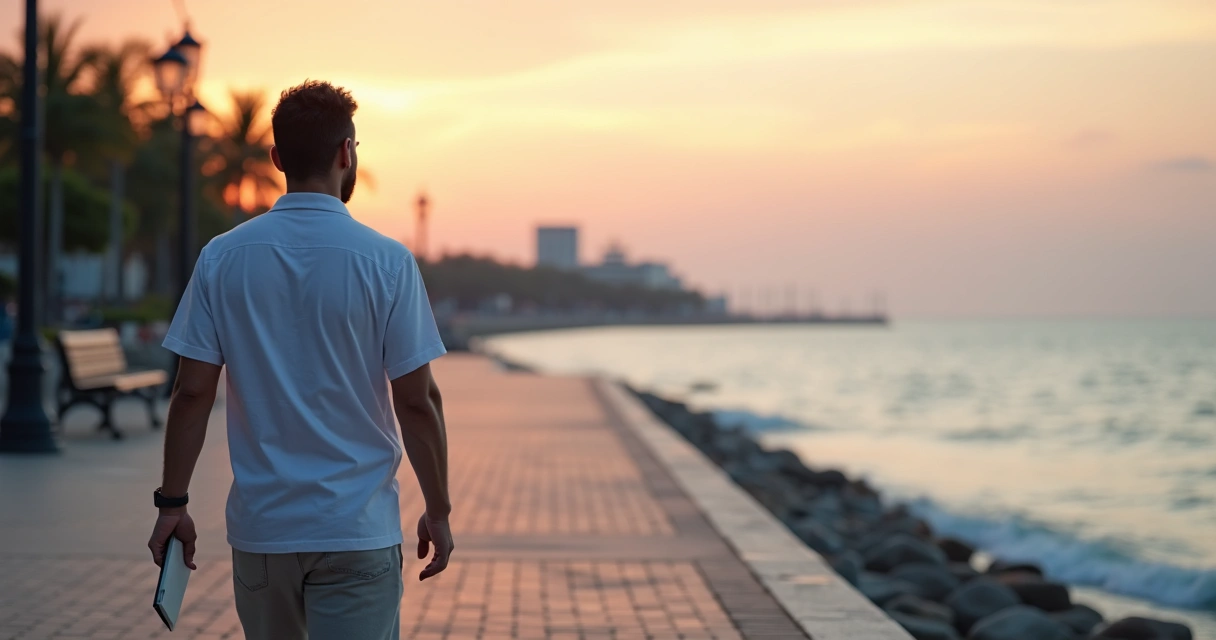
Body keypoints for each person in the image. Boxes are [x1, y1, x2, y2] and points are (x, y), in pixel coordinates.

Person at [146, 80, 453, 640]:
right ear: (346, 153)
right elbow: (416, 400)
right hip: (356, 529)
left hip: (265, 533)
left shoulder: (223, 257)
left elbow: (192, 392)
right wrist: (439, 509)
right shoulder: (387, 262)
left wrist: (173, 505)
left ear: (277, 158)